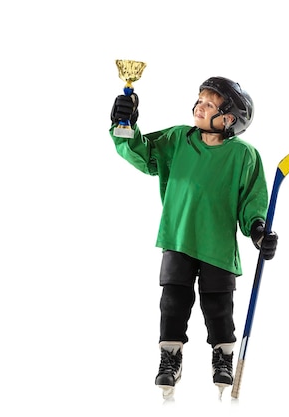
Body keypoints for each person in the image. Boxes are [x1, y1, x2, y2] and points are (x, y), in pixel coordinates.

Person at [109, 76, 278, 397]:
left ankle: (223, 356)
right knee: (173, 300)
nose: (199, 106)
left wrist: (258, 230)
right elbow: (140, 153)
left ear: (229, 119)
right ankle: (170, 356)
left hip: (217, 244)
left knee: (218, 306)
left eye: (209, 104)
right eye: (199, 100)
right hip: (178, 236)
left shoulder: (244, 156)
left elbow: (253, 202)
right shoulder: (177, 140)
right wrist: (124, 123)